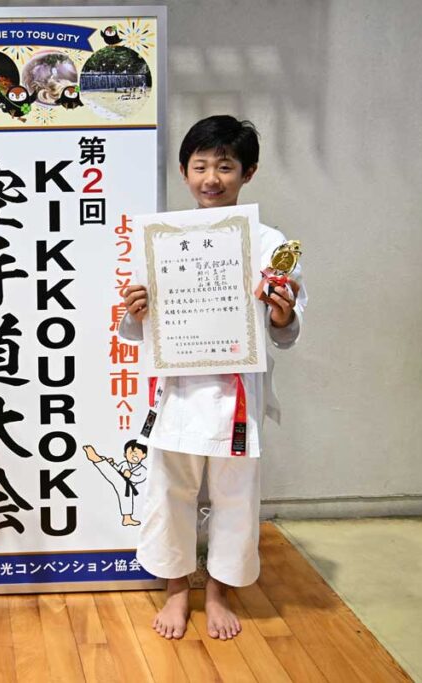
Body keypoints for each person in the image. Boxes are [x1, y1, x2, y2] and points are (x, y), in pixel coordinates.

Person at [120, 116, 308, 641]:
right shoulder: (162, 237)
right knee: (169, 491)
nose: (211, 178)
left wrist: (281, 313)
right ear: (184, 171)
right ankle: (176, 589)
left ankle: (220, 591)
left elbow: (287, 330)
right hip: (177, 390)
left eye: (224, 166)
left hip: (235, 394)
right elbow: (135, 325)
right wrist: (135, 309)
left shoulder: (269, 244)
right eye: (200, 166)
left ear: (248, 173)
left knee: (235, 496)